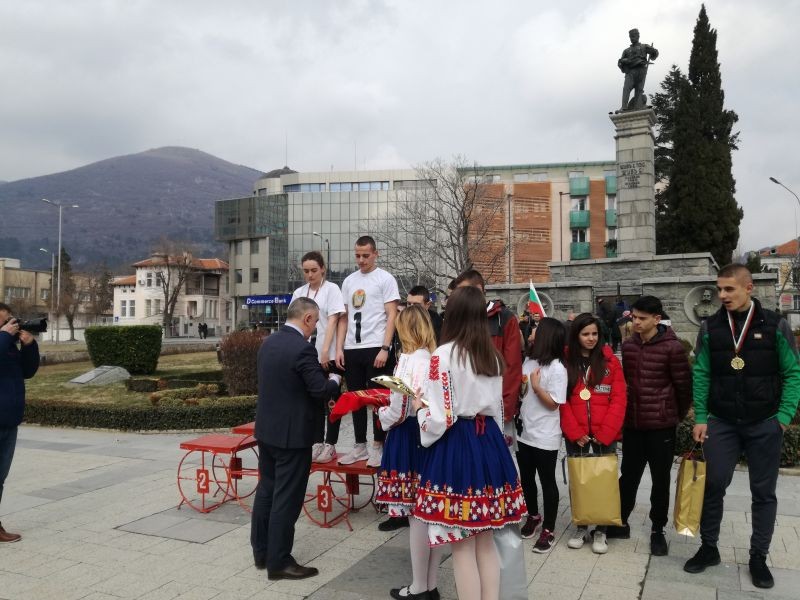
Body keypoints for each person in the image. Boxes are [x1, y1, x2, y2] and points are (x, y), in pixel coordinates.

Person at [683, 264, 800, 589]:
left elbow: (793, 372)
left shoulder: (775, 325)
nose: (722, 295)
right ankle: (709, 548)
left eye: (729, 289)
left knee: (763, 493)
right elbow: (702, 372)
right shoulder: (710, 327)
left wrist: (783, 417)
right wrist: (702, 417)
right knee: (713, 485)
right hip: (722, 422)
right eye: (719, 289)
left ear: (749, 288)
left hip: (765, 423)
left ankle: (758, 557)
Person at [412, 286, 526, 600]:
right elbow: (498, 409)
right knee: (485, 541)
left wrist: (420, 410)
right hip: (488, 441)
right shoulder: (491, 355)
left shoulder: (444, 355)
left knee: (462, 544)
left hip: (457, 445)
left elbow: (442, 416)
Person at [250, 297, 341, 580]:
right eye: (316, 322)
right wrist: (335, 381)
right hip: (292, 437)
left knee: (267, 490)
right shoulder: (302, 349)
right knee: (286, 499)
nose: (315, 328)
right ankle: (279, 562)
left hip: (267, 431)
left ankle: (262, 552)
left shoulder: (269, 342)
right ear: (308, 319)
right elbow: (319, 390)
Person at [609, 296, 691, 555]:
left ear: (657, 319)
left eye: (642, 318)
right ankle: (620, 521)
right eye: (634, 317)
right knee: (628, 476)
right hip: (633, 424)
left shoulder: (672, 348)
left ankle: (658, 529)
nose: (636, 322)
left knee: (660, 479)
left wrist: (672, 414)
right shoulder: (629, 346)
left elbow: (684, 388)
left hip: (661, 426)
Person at [375, 305, 444, 598]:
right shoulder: (434, 358)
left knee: (416, 514)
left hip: (408, 434)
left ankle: (418, 587)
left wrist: (382, 416)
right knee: (431, 513)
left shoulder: (407, 360)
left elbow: (400, 406)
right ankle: (431, 584)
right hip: (431, 434)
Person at [560, 313, 627, 554]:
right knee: (579, 480)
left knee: (604, 481)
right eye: (585, 334)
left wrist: (606, 432)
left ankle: (601, 529)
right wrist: (574, 431)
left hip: (604, 433)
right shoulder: (565, 362)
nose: (591, 338)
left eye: (595, 334)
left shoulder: (610, 362)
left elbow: (619, 399)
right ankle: (581, 525)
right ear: (576, 335)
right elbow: (561, 400)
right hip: (576, 433)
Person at [334, 236, 400, 468]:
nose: (361, 260)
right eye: (357, 256)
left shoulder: (385, 278)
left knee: (377, 399)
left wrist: (385, 347)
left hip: (376, 347)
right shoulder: (349, 281)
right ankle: (359, 445)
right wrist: (339, 347)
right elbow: (344, 318)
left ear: (375, 254)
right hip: (353, 348)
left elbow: (392, 314)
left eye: (365, 255)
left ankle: (378, 445)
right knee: (355, 398)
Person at [450, 270, 523, 444]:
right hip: (463, 411)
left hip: (494, 408)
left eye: (463, 291)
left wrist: (505, 409)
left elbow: (512, 367)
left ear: (479, 289)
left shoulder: (504, 318)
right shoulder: (458, 318)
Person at [516, 317, 568, 553]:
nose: (531, 332)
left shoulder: (557, 368)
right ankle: (533, 515)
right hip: (524, 432)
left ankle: (549, 528)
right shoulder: (529, 361)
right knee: (526, 478)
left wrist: (537, 387)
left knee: (547, 481)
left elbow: (553, 404)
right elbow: (521, 392)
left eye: (535, 330)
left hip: (545, 434)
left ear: (546, 336)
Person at [289, 251, 346, 464]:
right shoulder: (299, 293)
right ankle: (316, 441)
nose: (310, 275)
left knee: (331, 400)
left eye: (314, 270)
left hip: (327, 353)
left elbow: (333, 320)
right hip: (306, 354)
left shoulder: (332, 289)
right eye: (306, 271)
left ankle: (330, 443)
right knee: (313, 398)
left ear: (322, 269)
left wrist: (325, 350)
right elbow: (294, 322)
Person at [0, 303, 39, 543]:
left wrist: (29, 347)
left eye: (9, 320)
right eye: (4, 321)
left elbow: (27, 371)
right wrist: (4, 336)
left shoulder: (8, 345)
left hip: (9, 421)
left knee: (0, 478)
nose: (9, 324)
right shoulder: (3, 341)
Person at [618, 28, 658, 111]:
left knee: (639, 89)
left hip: (641, 70)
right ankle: (624, 107)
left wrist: (653, 52)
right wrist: (624, 61)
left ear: (638, 36)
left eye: (633, 36)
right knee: (626, 88)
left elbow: (655, 54)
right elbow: (620, 62)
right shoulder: (626, 51)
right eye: (630, 37)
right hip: (630, 72)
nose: (632, 38)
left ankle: (638, 106)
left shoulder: (644, 46)